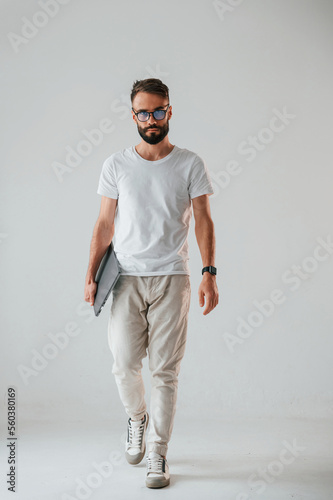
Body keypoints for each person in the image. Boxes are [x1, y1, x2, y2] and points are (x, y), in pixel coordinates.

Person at [84, 78, 219, 489]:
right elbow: (105, 224)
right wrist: (90, 275)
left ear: (170, 111)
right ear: (133, 116)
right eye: (143, 112)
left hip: (172, 279)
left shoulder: (190, 164)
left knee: (165, 371)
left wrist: (209, 274)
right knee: (124, 364)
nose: (151, 119)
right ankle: (137, 419)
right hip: (125, 277)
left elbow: (204, 221)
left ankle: (158, 452)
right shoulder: (116, 164)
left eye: (158, 111)